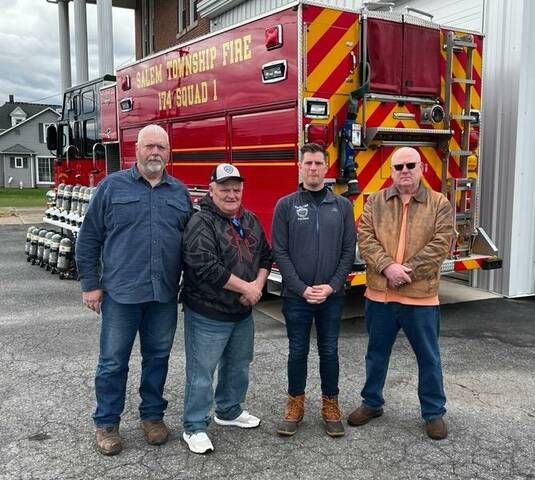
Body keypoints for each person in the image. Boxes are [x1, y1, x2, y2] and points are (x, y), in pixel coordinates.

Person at [75, 124, 192, 455]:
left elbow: (191, 244)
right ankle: (106, 423)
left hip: (163, 295)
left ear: (169, 153)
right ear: (136, 150)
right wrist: (90, 285)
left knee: (157, 358)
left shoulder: (179, 193)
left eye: (161, 147)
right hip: (120, 294)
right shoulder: (111, 188)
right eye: (149, 146)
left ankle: (152, 417)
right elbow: (88, 239)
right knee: (113, 362)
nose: (155, 152)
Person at [347, 147, 455, 440]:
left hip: (420, 298)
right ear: (391, 172)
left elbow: (441, 244)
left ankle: (433, 413)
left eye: (410, 165)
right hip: (379, 296)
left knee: (429, 358)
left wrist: (403, 271)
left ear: (422, 168)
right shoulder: (375, 202)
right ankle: (372, 403)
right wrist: (386, 268)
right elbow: (365, 239)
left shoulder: (439, 203)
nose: (404, 171)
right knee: (376, 355)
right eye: (398, 167)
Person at [180, 163, 272, 454]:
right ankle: (194, 426)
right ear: (211, 190)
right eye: (224, 189)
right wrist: (248, 289)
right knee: (201, 371)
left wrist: (256, 285)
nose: (231, 194)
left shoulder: (251, 219)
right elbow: (206, 267)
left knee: (238, 365)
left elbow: (265, 257)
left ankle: (229, 411)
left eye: (236, 189)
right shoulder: (201, 222)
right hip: (208, 311)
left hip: (242, 312)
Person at [271, 143, 356, 437]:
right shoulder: (286, 205)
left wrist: (332, 287)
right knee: (297, 351)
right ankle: (295, 404)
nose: (313, 169)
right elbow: (279, 251)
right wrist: (301, 288)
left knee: (329, 351)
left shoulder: (342, 207)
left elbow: (348, 252)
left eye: (318, 163)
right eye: (308, 163)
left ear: (327, 167)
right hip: (297, 297)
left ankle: (330, 404)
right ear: (300, 166)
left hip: (331, 298)